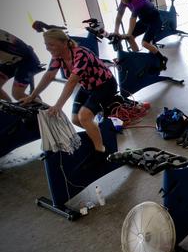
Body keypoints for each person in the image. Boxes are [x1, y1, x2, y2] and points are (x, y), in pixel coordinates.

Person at [20, 29, 117, 166]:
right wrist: (32, 96)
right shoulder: (57, 57)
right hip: (87, 87)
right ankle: (99, 136)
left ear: (64, 43)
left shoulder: (81, 54)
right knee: (76, 119)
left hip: (105, 86)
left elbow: (72, 81)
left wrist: (58, 105)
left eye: (51, 45)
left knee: (84, 117)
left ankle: (102, 152)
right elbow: (49, 76)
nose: (48, 48)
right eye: (46, 45)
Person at [113, 0, 167, 68]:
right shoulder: (124, 0)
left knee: (145, 43)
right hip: (144, 20)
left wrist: (128, 33)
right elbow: (119, 16)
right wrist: (116, 31)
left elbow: (133, 18)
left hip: (155, 20)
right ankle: (138, 58)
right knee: (130, 38)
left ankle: (162, 59)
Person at [0, 29, 43, 102]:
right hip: (12, 60)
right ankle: (9, 108)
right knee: (16, 95)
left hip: (28, 59)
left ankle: (45, 111)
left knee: (17, 94)